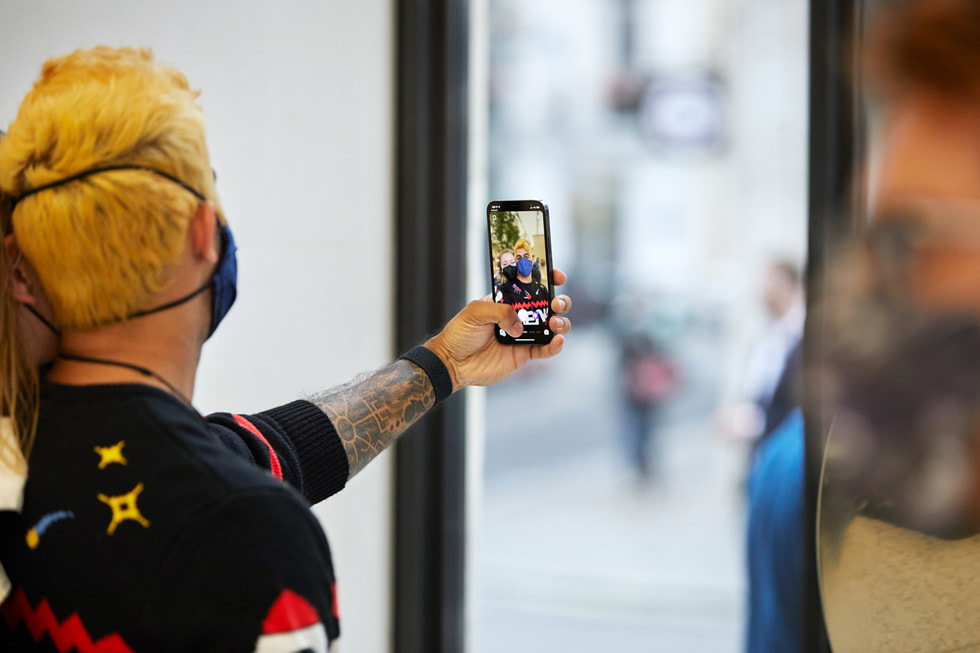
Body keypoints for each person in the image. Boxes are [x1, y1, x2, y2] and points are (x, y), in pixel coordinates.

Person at [0, 46, 572, 652]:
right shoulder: (247, 539)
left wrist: (443, 365)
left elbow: (258, 452)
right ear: (202, 233)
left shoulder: (26, 444)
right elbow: (218, 481)